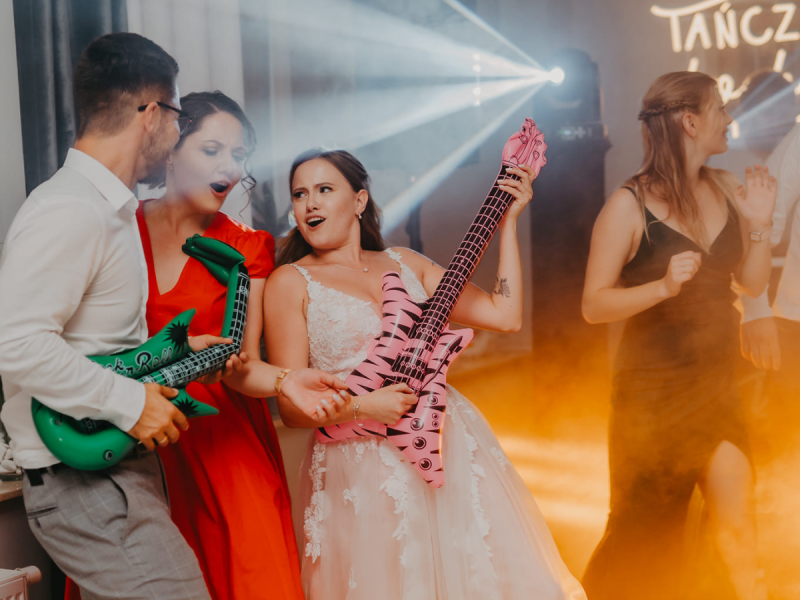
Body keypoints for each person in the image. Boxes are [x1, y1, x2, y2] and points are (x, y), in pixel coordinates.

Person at [263, 149, 587, 599]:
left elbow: (505, 314)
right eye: (299, 194)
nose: (310, 203)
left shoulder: (405, 262)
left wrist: (510, 222)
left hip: (446, 443)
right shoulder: (290, 282)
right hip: (360, 466)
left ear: (359, 201)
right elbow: (292, 409)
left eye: (324, 189)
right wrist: (363, 406)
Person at [0, 32, 214, 600]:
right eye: (177, 116)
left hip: (107, 472)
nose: (177, 134)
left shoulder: (108, 209)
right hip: (82, 477)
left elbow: (96, 347)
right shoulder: (69, 209)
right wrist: (132, 403)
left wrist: (177, 355)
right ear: (151, 112)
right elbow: (17, 344)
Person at [134, 91, 349, 600]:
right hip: (140, 440)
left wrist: (287, 379)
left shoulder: (246, 249)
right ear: (170, 149)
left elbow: (243, 365)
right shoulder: (117, 229)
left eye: (239, 155)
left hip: (226, 448)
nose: (229, 167)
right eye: (212, 150)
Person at [580, 71, 776, 600]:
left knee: (739, 527)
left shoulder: (728, 187)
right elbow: (594, 305)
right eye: (720, 109)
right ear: (690, 122)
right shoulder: (628, 204)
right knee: (645, 538)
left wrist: (760, 225)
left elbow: (751, 282)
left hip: (717, 385)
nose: (729, 119)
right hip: (651, 394)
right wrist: (662, 288)